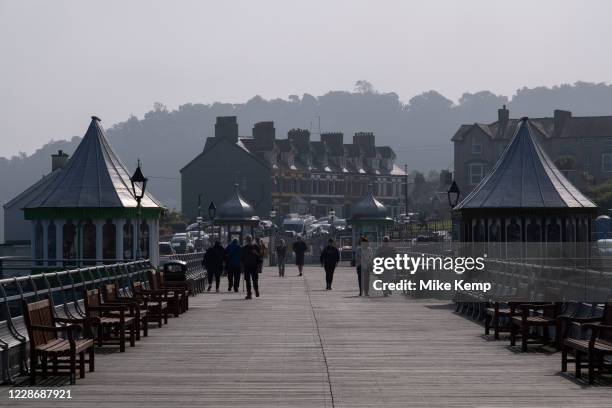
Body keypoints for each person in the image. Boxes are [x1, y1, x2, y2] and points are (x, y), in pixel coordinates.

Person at [241, 235, 262, 299]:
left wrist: (256, 253)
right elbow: (242, 258)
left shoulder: (255, 247)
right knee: (248, 281)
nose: (248, 241)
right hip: (247, 266)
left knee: (254, 280)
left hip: (253, 266)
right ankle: (249, 294)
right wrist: (242, 266)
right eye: (248, 240)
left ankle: (255, 291)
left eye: (249, 240)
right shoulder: (244, 248)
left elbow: (260, 256)